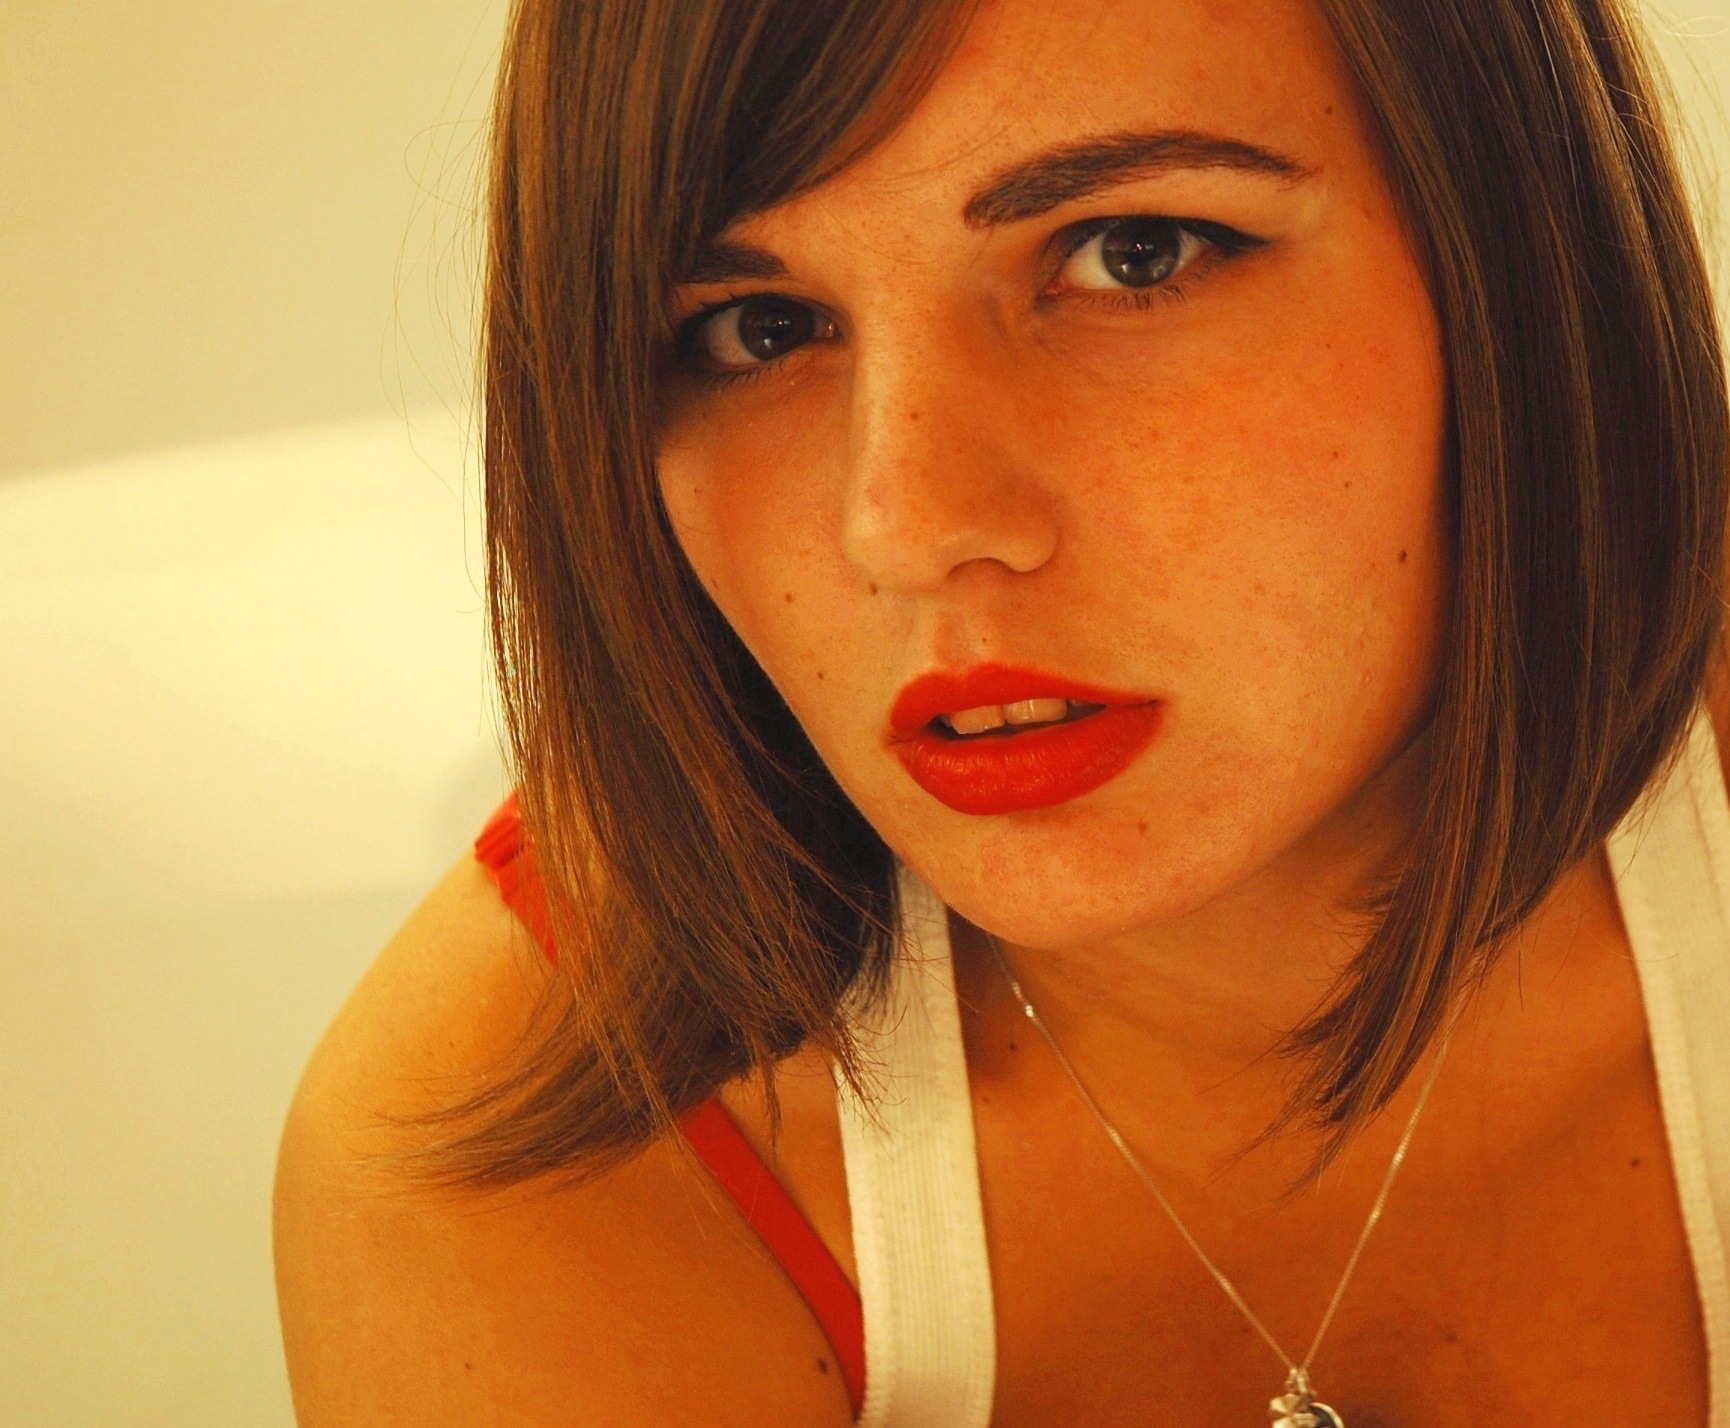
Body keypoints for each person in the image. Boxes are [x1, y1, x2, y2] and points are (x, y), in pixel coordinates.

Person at [273, 0, 1730, 1421]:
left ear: (1523, 251)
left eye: (1131, 253)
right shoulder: (530, 1165)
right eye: (760, 330)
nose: (907, 523)